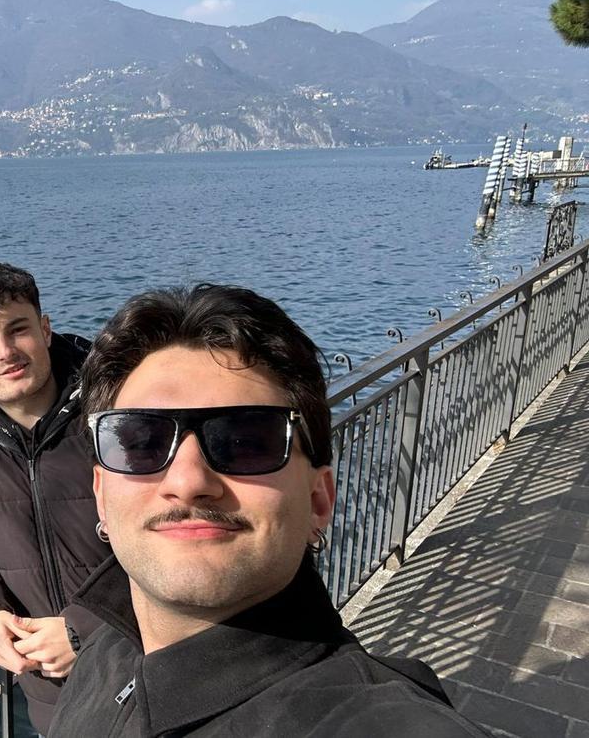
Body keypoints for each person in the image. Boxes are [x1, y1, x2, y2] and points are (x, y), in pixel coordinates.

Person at [48, 285, 487, 737]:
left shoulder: (379, 721)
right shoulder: (105, 649)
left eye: (245, 443)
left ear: (319, 499)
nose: (188, 482)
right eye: (141, 443)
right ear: (101, 493)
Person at [0, 262, 111, 735]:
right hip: (51, 690)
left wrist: (86, 627)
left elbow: (172, 533)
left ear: (46, 329)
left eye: (18, 330)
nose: (6, 352)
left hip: (145, 655)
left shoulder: (112, 407)